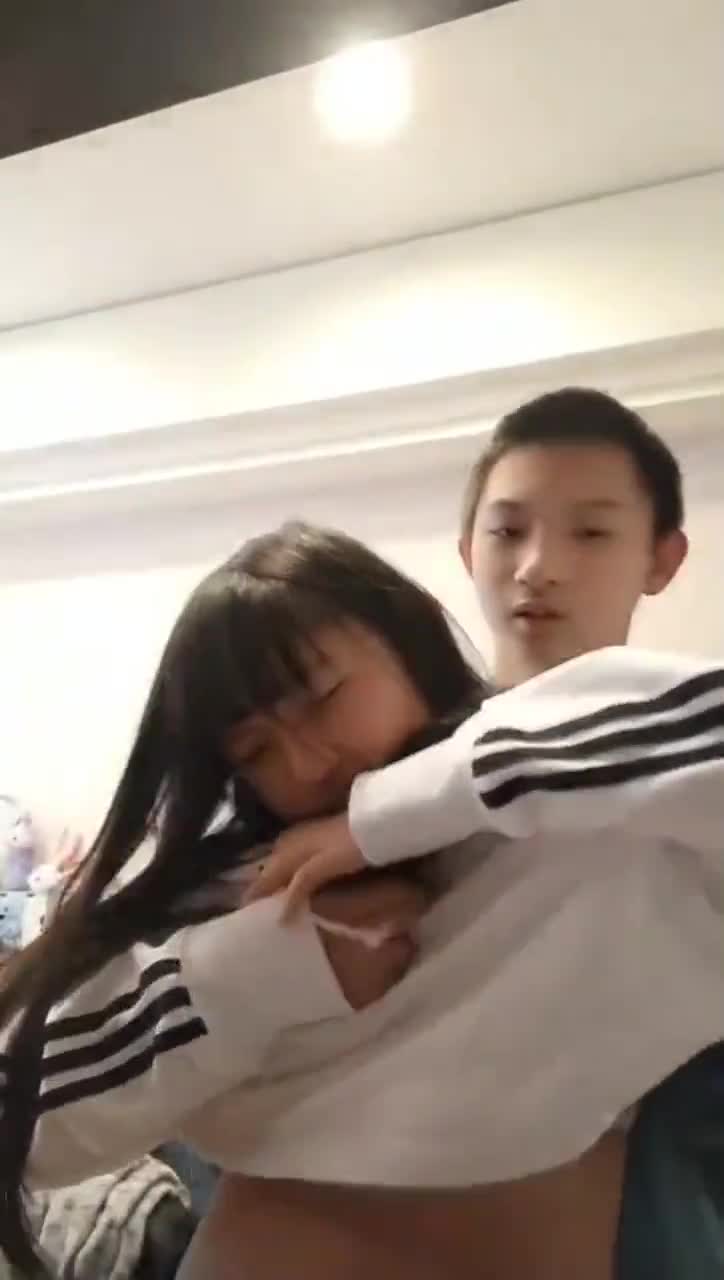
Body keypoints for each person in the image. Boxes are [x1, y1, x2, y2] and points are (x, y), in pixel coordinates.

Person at [1, 513, 722, 1277]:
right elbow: (21, 1114)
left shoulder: (582, 808)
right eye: (256, 750)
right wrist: (260, 971)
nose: (307, 763)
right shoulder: (250, 890)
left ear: (408, 639)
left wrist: (388, 815)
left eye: (322, 697)